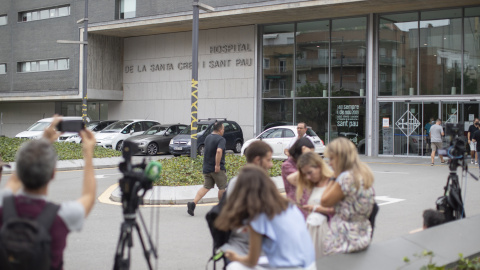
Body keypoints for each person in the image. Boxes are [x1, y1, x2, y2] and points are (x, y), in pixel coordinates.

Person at [0, 115, 96, 269]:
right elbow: (89, 197)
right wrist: (88, 153)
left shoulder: (3, 204)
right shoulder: (62, 216)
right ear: (52, 174)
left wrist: (44, 140)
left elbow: (13, 181)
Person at [215, 165, 316, 270]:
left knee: (234, 266)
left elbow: (251, 260)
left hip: (289, 267)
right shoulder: (290, 207)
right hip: (309, 265)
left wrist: (235, 257)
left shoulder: (258, 216)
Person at [321, 137, 375, 255]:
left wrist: (333, 177)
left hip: (343, 238)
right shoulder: (364, 173)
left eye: (331, 159)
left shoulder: (345, 177)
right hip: (361, 233)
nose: (329, 163)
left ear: (340, 157)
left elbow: (324, 201)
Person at [221, 140, 274, 256]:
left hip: (254, 247)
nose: (271, 165)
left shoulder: (237, 181)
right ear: (257, 160)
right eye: (268, 160)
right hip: (245, 249)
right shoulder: (241, 183)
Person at [296, 152, 334, 259]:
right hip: (312, 232)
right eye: (305, 174)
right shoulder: (313, 184)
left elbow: (341, 210)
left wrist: (316, 208)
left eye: (310, 172)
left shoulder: (333, 182)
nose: (308, 177)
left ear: (319, 166)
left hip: (327, 234)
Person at [187, 121, 227, 216]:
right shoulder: (221, 139)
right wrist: (217, 165)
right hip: (217, 169)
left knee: (206, 187)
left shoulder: (208, 137)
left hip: (206, 167)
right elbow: (218, 151)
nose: (223, 131)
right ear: (220, 130)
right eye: (223, 129)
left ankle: (193, 204)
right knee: (222, 187)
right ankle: (221, 209)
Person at [281, 137, 315, 218]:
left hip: (308, 206)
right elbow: (298, 179)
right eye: (309, 154)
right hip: (296, 208)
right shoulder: (287, 165)